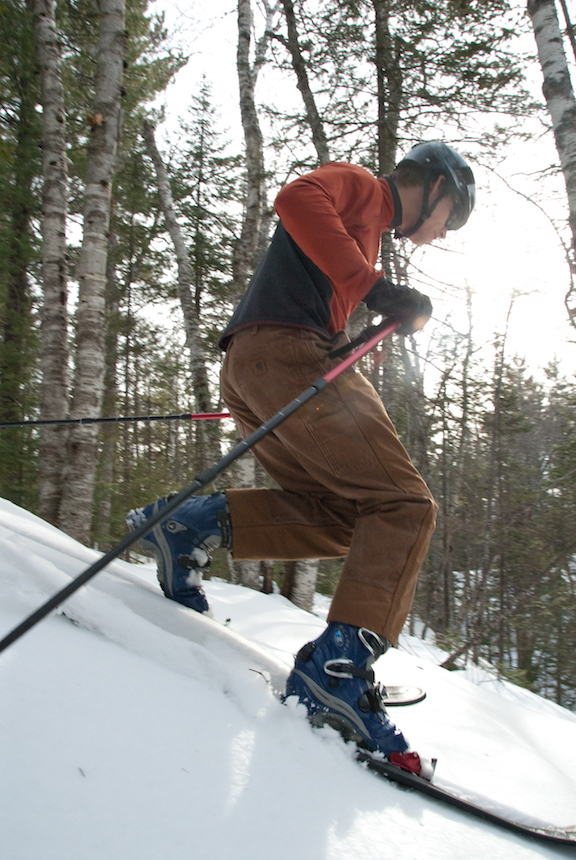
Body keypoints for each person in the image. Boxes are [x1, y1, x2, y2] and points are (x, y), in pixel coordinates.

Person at [127, 141, 475, 775]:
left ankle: (189, 525)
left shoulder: (365, 233)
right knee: (403, 504)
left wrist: (368, 306)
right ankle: (335, 672)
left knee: (342, 516)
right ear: (438, 189)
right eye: (448, 221)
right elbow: (295, 198)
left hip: (259, 366)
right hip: (289, 358)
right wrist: (376, 290)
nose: (439, 236)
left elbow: (319, 286)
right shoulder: (365, 188)